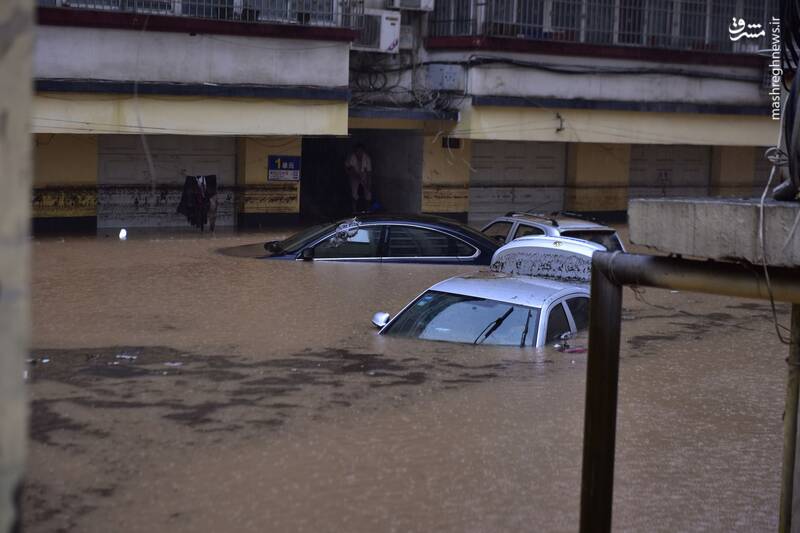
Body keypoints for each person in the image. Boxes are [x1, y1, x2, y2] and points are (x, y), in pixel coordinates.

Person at [344, 144, 372, 213]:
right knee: (354, 193)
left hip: (363, 175)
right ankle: (354, 211)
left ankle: (368, 211)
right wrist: (355, 175)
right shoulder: (351, 157)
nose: (359, 153)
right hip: (353, 175)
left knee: (368, 193)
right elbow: (349, 169)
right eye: (358, 151)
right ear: (355, 151)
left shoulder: (367, 158)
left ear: (363, 151)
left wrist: (368, 183)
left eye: (361, 151)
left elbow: (369, 172)